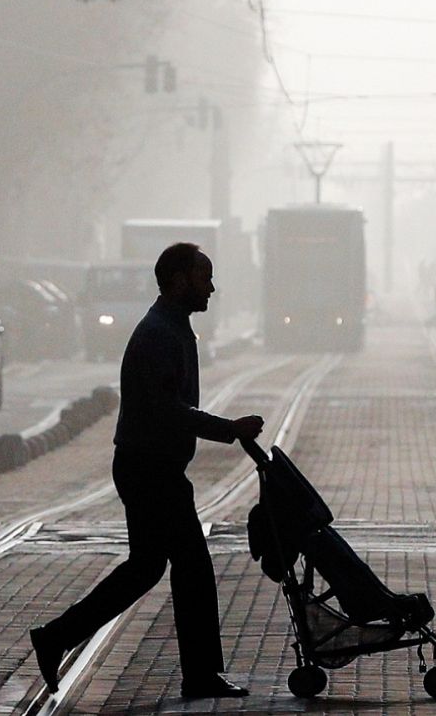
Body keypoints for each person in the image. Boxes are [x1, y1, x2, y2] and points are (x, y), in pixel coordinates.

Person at [29, 243, 264, 700]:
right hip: (149, 468)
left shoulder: (172, 327)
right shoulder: (160, 334)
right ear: (179, 280)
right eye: (204, 277)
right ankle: (200, 675)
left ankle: (55, 637)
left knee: (146, 568)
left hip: (150, 465)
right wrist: (227, 429)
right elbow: (166, 409)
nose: (212, 288)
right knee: (191, 567)